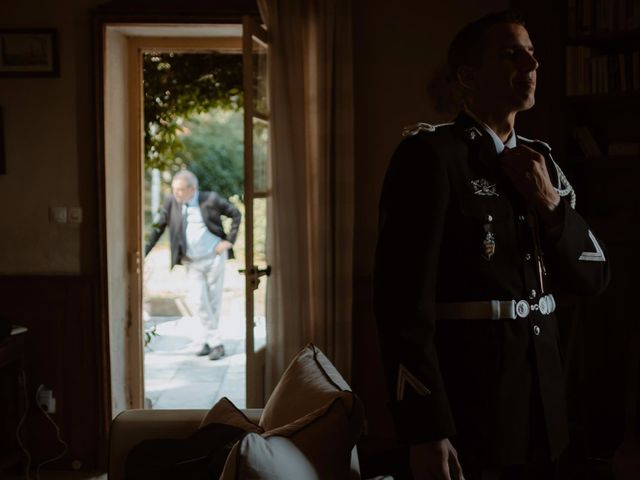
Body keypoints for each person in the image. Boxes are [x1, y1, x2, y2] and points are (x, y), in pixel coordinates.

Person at [373, 11, 610, 480]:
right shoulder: (431, 156)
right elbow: (401, 305)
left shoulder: (544, 165)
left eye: (532, 54)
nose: (530, 63)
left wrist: (550, 205)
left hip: (546, 406)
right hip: (472, 410)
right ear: (467, 76)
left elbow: (594, 278)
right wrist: (425, 429)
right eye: (510, 54)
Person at [145, 170, 241, 361]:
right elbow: (158, 228)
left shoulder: (210, 199)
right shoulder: (171, 201)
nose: (176, 194)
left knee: (213, 301)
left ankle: (207, 341)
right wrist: (143, 251)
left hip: (214, 257)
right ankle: (216, 343)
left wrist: (228, 241)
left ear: (192, 189)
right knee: (198, 301)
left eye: (180, 190)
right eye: (174, 190)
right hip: (192, 261)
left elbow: (236, 214)